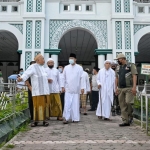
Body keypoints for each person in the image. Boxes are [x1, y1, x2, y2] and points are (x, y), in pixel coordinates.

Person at [17, 54, 49, 127]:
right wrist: (21, 78)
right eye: (43, 59)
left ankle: (44, 120)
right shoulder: (32, 67)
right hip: (37, 91)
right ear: (38, 60)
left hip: (44, 91)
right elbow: (26, 74)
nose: (44, 60)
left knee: (44, 106)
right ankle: (35, 121)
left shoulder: (43, 68)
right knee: (36, 106)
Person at [62, 53, 85, 124]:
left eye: (72, 58)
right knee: (67, 104)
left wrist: (82, 87)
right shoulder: (66, 67)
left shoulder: (79, 68)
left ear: (75, 59)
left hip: (76, 89)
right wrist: (62, 86)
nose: (71, 60)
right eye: (70, 58)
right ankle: (66, 118)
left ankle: (75, 118)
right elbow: (63, 78)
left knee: (75, 104)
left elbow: (82, 78)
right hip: (68, 89)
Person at [115, 53, 138, 127]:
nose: (118, 61)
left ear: (122, 59)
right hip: (120, 88)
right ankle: (125, 121)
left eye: (118, 59)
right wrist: (116, 88)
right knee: (122, 105)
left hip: (129, 88)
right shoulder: (118, 67)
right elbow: (116, 78)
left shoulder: (131, 65)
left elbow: (134, 76)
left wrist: (134, 87)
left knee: (128, 102)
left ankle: (130, 116)